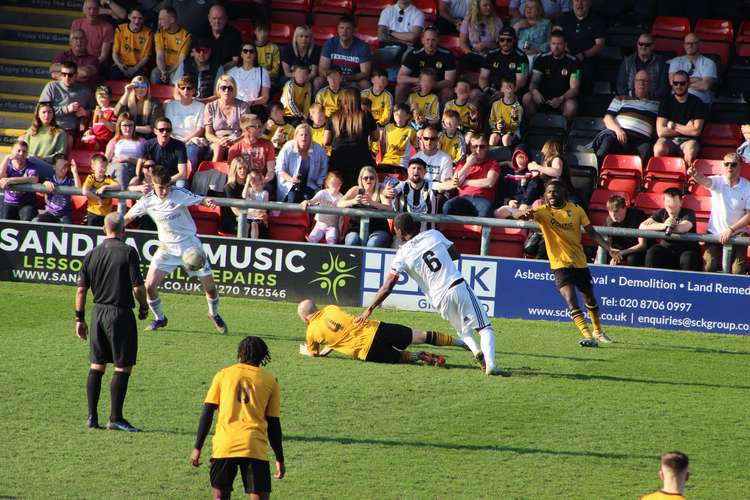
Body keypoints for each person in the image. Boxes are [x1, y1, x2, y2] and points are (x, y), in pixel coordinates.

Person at [358, 213, 504, 374]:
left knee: (463, 331)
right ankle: (490, 364)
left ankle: (476, 351)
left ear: (398, 230)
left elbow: (387, 286)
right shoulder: (434, 235)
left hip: (439, 299)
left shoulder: (401, 255)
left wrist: (369, 309)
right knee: (485, 328)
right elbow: (456, 254)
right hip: (456, 285)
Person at [514, 180, 620, 347]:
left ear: (563, 193)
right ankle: (588, 336)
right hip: (559, 263)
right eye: (549, 192)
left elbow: (591, 232)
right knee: (570, 299)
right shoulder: (542, 212)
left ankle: (598, 331)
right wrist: (523, 213)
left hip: (579, 261)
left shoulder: (576, 210)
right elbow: (517, 216)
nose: (552, 195)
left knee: (590, 299)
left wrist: (608, 248)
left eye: (555, 192)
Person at [124, 164, 227, 333]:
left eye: (167, 187)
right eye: (161, 188)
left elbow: (199, 198)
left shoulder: (179, 194)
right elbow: (128, 217)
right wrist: (115, 227)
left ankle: (213, 314)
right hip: (167, 249)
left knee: (210, 288)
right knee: (149, 286)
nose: (165, 191)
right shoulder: (147, 201)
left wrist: (206, 201)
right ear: (153, 185)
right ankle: (160, 318)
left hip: (191, 247)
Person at [76, 212, 149, 432]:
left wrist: (79, 318)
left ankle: (91, 417)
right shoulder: (128, 252)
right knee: (122, 366)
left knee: (97, 365)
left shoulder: (91, 254)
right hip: (120, 314)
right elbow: (138, 287)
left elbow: (81, 290)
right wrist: (144, 306)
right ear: (124, 230)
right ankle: (115, 418)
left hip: (97, 313)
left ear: (103, 229)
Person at [190, 336, 285, 500]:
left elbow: (207, 411)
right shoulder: (270, 381)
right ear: (264, 356)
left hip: (225, 445)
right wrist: (279, 459)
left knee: (220, 495)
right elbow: (274, 424)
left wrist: (197, 447)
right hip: (254, 446)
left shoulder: (223, 374)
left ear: (240, 353)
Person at [298, 299, 465, 365]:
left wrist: (307, 351)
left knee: (400, 358)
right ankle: (462, 343)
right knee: (420, 335)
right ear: (317, 308)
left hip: (366, 351)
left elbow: (315, 353)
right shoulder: (331, 308)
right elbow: (342, 328)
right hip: (376, 330)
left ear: (305, 319)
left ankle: (418, 356)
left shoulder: (311, 332)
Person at [688, 153, 750, 274]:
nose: (729, 168)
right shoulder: (717, 181)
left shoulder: (748, 187)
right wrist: (695, 174)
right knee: (709, 267)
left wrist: (730, 230)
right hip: (715, 232)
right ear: (723, 165)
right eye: (726, 164)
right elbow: (704, 181)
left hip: (738, 233)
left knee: (737, 271)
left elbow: (749, 215)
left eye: (733, 164)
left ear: (740, 166)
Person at [592, 70, 659, 165]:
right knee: (607, 142)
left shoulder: (657, 104)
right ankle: (595, 174)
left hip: (641, 140)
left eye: (645, 81)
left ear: (650, 84)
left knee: (647, 151)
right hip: (619, 134)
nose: (641, 84)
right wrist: (618, 130)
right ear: (634, 83)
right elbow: (607, 118)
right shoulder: (621, 98)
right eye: (638, 80)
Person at [639, 187, 702, 271]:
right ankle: (651, 281)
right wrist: (663, 226)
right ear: (664, 202)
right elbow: (642, 226)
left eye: (674, 201)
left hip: (686, 250)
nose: (670, 205)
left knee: (688, 258)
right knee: (653, 252)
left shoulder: (688, 213)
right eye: (668, 201)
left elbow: (682, 228)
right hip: (667, 250)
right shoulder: (661, 213)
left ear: (681, 202)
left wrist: (671, 226)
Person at [522, 30, 579, 120]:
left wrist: (561, 99)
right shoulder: (542, 58)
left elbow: (574, 88)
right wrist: (534, 91)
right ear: (550, 44)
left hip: (562, 98)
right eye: (553, 44)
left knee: (571, 106)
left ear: (565, 44)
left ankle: (563, 131)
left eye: (559, 44)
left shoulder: (573, 61)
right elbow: (534, 82)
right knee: (527, 98)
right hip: (543, 97)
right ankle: (533, 128)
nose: (556, 47)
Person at [328, 89, 379, 189]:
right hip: (361, 160)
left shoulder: (334, 116)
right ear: (358, 100)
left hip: (338, 159)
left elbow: (326, 140)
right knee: (359, 191)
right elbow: (376, 137)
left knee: (338, 191)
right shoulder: (366, 115)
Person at [653, 70, 706, 166]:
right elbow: (660, 131)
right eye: (675, 83)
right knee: (659, 148)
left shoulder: (698, 103)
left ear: (688, 84)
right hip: (667, 139)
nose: (678, 86)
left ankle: (687, 179)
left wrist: (672, 125)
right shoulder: (666, 102)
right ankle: (660, 178)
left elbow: (695, 132)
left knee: (691, 152)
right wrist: (686, 128)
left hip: (689, 140)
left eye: (682, 83)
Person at [442, 133, 500, 218]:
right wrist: (468, 164)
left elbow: (489, 182)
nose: (478, 150)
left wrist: (466, 182)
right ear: (470, 148)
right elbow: (455, 182)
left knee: (486, 209)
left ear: (487, 148)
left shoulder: (492, 164)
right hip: (463, 198)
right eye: (474, 147)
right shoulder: (463, 164)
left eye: (482, 147)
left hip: (482, 199)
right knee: (447, 206)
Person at [39, 61, 94, 145]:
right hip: (51, 127)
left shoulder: (85, 91)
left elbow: (95, 111)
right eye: (64, 74)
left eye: (70, 75)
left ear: (76, 75)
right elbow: (41, 110)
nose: (67, 77)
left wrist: (85, 113)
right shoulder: (51, 87)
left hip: (73, 131)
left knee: (67, 139)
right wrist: (66, 109)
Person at [338, 166, 394, 247]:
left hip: (379, 229)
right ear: (361, 179)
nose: (369, 180)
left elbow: (389, 207)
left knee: (373, 244)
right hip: (356, 228)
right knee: (351, 241)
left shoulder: (381, 189)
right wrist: (353, 201)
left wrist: (372, 203)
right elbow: (339, 203)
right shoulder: (355, 190)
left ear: (376, 179)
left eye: (372, 178)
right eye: (366, 178)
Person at [555, 0, 605, 89]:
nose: (579, 3)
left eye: (583, 0)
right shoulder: (564, 17)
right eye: (576, 0)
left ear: (590, 2)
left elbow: (599, 45)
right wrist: (564, 49)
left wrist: (583, 55)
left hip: (585, 60)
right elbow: (555, 36)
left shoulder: (597, 20)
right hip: (564, 57)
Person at [164, 76, 209, 173]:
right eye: (182, 88)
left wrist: (185, 140)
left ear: (194, 90)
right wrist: (174, 140)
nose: (186, 91)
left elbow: (200, 129)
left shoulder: (200, 106)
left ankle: (188, 179)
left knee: (191, 151)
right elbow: (167, 127)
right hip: (173, 139)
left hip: (191, 141)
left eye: (189, 88)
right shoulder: (171, 106)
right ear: (178, 90)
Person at [275, 123, 328, 203]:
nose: (304, 138)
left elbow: (324, 168)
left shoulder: (318, 149)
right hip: (290, 183)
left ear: (310, 137)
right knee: (293, 198)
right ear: (296, 136)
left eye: (306, 135)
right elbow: (279, 169)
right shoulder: (288, 147)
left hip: (310, 183)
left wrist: (319, 185)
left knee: (309, 199)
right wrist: (290, 179)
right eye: (301, 135)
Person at [317, 16, 373, 91]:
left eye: (348, 28)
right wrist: (333, 76)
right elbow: (322, 70)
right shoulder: (329, 44)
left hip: (353, 80)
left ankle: (361, 103)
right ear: (337, 29)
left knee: (365, 84)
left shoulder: (362, 46)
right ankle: (316, 102)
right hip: (332, 79)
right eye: (342, 28)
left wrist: (348, 77)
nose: (344, 31)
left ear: (353, 30)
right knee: (318, 81)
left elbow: (365, 73)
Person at [477, 26, 529, 104]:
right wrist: (486, 89)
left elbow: (521, 81)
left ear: (514, 40)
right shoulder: (491, 55)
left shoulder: (522, 57)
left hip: (513, 92)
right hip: (492, 91)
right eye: (502, 40)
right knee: (475, 95)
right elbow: (483, 77)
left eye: (509, 40)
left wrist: (504, 93)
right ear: (498, 40)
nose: (505, 43)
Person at [204, 75, 250, 161]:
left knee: (233, 149)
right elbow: (208, 133)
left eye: (230, 88)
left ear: (234, 90)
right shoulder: (210, 106)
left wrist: (233, 141)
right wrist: (220, 141)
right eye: (223, 88)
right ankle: (214, 172)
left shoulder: (243, 106)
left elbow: (246, 131)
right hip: (217, 140)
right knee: (218, 148)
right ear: (218, 89)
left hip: (237, 139)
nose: (226, 91)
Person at [227, 113, 276, 192]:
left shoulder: (268, 145)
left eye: (261, 126)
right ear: (247, 129)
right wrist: (247, 184)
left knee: (268, 188)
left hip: (261, 183)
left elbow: (271, 171)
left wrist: (263, 181)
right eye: (257, 126)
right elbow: (232, 173)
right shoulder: (235, 148)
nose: (260, 129)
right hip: (242, 184)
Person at [392, 158, 442, 231]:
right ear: (408, 171)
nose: (416, 171)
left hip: (427, 234)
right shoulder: (401, 185)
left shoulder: (432, 184)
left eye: (419, 169)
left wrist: (454, 182)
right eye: (413, 168)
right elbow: (392, 192)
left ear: (425, 172)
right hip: (405, 236)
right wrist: (387, 192)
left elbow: (444, 185)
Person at [668, 33, 717, 106]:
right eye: (687, 43)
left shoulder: (709, 63)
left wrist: (683, 83)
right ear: (684, 45)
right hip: (677, 102)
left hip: (700, 103)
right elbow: (673, 83)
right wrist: (695, 81)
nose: (690, 46)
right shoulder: (676, 61)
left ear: (700, 44)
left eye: (693, 43)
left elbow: (705, 85)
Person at [616, 33, 669, 100]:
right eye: (641, 44)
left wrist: (651, 98)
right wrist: (631, 99)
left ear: (653, 46)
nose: (643, 47)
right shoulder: (627, 62)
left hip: (653, 101)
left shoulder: (660, 62)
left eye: (647, 45)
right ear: (637, 45)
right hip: (630, 100)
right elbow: (621, 86)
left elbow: (663, 87)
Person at [0, 140, 41, 221]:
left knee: (26, 219)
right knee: (4, 221)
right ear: (12, 151)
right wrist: (6, 158)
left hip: (27, 203)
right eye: (18, 151)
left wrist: (11, 180)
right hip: (9, 202)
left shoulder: (31, 165)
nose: (21, 154)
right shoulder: (8, 165)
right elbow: (1, 176)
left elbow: (34, 179)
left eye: (24, 151)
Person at [105, 113, 146, 189]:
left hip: (135, 170)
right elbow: (106, 161)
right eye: (125, 125)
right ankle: (122, 198)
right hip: (117, 170)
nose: (128, 128)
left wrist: (128, 158)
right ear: (119, 126)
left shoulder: (141, 141)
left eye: (130, 125)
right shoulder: (114, 141)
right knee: (121, 168)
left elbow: (144, 162)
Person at [152, 6, 192, 85]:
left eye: (162, 19)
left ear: (172, 20)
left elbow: (181, 61)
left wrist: (169, 72)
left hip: (176, 68)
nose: (159, 22)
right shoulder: (159, 34)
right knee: (154, 74)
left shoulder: (186, 35)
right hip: (163, 67)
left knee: (175, 79)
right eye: (159, 19)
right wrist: (163, 71)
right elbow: (159, 56)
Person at [377, 0, 425, 65]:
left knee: (407, 56)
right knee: (369, 55)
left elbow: (413, 37)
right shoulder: (387, 11)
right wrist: (402, 41)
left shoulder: (418, 13)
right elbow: (381, 36)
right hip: (388, 47)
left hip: (407, 49)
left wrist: (390, 32)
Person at [143, 117, 189, 186]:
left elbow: (183, 173)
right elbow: (144, 167)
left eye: (168, 130)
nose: (165, 132)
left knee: (181, 183)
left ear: (171, 131)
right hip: (155, 181)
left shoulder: (179, 146)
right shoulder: (148, 145)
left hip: (173, 179)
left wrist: (165, 182)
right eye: (161, 130)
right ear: (155, 131)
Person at [111, 7, 154, 80]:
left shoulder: (148, 33)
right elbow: (114, 53)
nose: (137, 21)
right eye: (134, 18)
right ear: (129, 17)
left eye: (140, 18)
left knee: (141, 81)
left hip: (138, 66)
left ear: (144, 19)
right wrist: (120, 65)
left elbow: (146, 56)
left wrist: (135, 68)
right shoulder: (120, 29)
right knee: (112, 76)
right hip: (121, 65)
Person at [37, 155, 82, 224]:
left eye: (65, 166)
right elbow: (38, 184)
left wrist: (75, 172)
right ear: (54, 167)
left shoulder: (69, 181)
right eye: (60, 165)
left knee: (67, 227)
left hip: (65, 214)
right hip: (51, 213)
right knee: (39, 222)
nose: (63, 168)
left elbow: (79, 190)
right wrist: (45, 183)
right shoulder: (49, 180)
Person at [605, 194, 647, 266]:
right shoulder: (609, 220)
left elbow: (642, 245)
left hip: (636, 249)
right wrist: (612, 253)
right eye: (610, 211)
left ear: (625, 208)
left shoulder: (638, 216)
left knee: (632, 259)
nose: (613, 215)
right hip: (619, 248)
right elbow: (608, 243)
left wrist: (621, 253)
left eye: (616, 211)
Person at [302, 171, 344, 244]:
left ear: (341, 185)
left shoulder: (341, 197)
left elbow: (341, 218)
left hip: (332, 226)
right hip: (320, 223)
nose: (335, 186)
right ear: (327, 183)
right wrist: (306, 201)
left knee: (332, 240)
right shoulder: (322, 193)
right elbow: (312, 201)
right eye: (333, 183)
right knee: (312, 239)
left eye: (338, 184)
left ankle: (329, 255)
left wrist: (340, 232)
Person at [459, 0, 503, 68]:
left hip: (491, 55)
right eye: (485, 5)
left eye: (490, 5)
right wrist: (470, 53)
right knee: (464, 60)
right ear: (477, 7)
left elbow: (501, 45)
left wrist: (486, 45)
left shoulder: (497, 22)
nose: (489, 7)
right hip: (474, 55)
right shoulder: (468, 21)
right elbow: (462, 42)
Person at [227, 43, 271, 108]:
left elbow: (265, 97)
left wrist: (251, 103)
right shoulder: (232, 72)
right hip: (234, 107)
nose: (248, 53)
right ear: (241, 54)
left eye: (251, 51)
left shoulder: (263, 72)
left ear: (255, 54)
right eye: (245, 51)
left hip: (254, 107)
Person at [71, 0, 114, 65]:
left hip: (97, 62)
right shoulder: (76, 23)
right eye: (89, 9)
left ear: (99, 11)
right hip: (78, 61)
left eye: (95, 9)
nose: (92, 12)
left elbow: (103, 56)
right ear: (84, 11)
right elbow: (73, 46)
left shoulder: (107, 27)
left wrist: (92, 64)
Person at [82, 154, 121, 227]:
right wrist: (98, 199)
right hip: (93, 212)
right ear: (93, 167)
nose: (103, 169)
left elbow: (118, 186)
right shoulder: (91, 178)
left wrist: (105, 187)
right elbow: (85, 191)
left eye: (105, 167)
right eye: (101, 167)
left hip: (106, 214)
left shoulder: (108, 179)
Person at [201, 4, 243, 71]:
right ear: (209, 18)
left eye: (220, 18)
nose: (217, 22)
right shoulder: (202, 33)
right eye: (214, 18)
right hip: (206, 72)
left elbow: (236, 61)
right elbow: (197, 58)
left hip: (229, 72)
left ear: (226, 19)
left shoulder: (234, 34)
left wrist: (219, 70)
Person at [412, 125, 454, 189]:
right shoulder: (415, 158)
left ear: (437, 140)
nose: (429, 142)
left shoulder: (446, 159)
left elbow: (445, 185)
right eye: (426, 138)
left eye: (432, 139)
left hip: (437, 193)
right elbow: (412, 182)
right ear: (422, 139)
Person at [380, 103, 418, 171]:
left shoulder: (410, 130)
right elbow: (383, 145)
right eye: (396, 114)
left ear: (407, 116)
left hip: (402, 163)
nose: (399, 117)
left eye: (402, 115)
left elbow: (417, 148)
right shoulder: (388, 128)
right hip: (387, 160)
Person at [489, 78, 523, 147]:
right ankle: (492, 156)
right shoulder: (496, 104)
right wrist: (496, 125)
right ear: (501, 89)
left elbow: (516, 126)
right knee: (493, 138)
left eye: (510, 87)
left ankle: (508, 156)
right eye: (505, 87)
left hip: (512, 132)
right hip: (499, 131)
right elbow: (491, 121)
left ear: (515, 89)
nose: (508, 90)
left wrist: (514, 117)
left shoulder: (518, 107)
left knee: (506, 138)